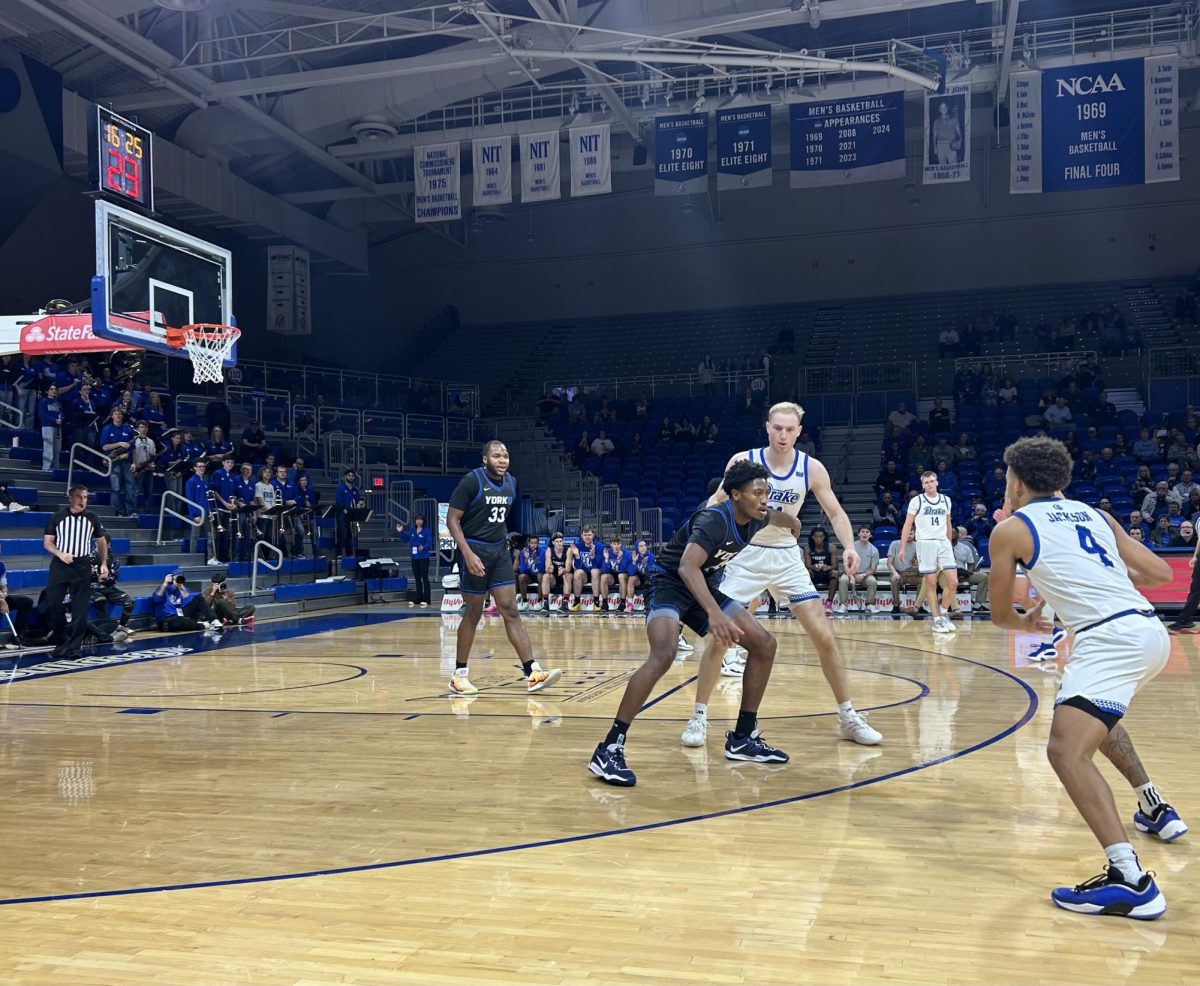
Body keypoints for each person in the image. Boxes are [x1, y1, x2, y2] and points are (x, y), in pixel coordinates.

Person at [987, 436, 1186, 919]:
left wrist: (1029, 622)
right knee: (1093, 720)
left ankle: (1130, 879)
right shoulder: (1095, 515)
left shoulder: (1010, 530)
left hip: (1109, 638)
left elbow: (998, 614)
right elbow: (1160, 573)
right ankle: (1154, 806)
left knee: (1064, 750)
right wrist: (1099, 578)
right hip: (1149, 631)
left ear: (1016, 480)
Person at [682, 403, 881, 750]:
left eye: (790, 429)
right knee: (720, 638)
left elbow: (834, 512)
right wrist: (694, 540)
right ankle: (699, 716)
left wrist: (848, 545)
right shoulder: (743, 461)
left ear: (799, 431)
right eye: (777, 428)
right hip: (746, 555)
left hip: (788, 558)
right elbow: (715, 502)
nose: (783, 435)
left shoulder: (811, 468)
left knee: (824, 636)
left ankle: (848, 715)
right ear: (767, 427)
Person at [588, 461, 798, 787]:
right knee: (664, 653)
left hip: (704, 586)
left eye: (766, 492)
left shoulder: (756, 517)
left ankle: (743, 736)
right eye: (757, 493)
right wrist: (714, 614)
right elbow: (686, 567)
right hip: (670, 583)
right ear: (735, 495)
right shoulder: (714, 519)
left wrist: (793, 523)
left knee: (764, 645)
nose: (764, 499)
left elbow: (778, 517)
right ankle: (609, 747)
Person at [445, 441, 561, 695]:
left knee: (510, 608)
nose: (502, 460)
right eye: (496, 455)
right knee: (474, 611)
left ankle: (532, 672)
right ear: (485, 459)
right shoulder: (471, 482)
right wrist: (467, 554)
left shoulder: (512, 483)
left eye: (506, 455)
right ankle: (459, 674)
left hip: (499, 551)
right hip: (474, 550)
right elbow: (452, 520)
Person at [42, 485, 108, 659]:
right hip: (60, 564)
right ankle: (61, 641)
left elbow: (101, 542)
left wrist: (104, 563)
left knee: (80, 608)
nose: (83, 501)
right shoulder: (57, 517)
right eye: (79, 497)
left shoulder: (92, 518)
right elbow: (47, 542)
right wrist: (60, 554)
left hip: (82, 565)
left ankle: (74, 647)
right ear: (70, 498)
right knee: (53, 603)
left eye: (85, 497)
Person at [900, 471, 956, 633]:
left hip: (943, 543)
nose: (930, 484)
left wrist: (949, 543)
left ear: (937, 482)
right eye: (926, 482)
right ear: (922, 485)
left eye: (932, 481)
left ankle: (944, 613)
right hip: (925, 544)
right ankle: (936, 619)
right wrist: (903, 547)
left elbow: (948, 524)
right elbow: (907, 525)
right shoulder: (917, 501)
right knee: (931, 583)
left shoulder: (946, 500)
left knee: (953, 582)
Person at [89, 533, 134, 640]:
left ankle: (122, 626)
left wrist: (105, 578)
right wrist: (93, 575)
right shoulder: (88, 556)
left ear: (109, 545)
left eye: (105, 544)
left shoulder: (113, 559)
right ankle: (102, 631)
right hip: (91, 587)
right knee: (101, 600)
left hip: (108, 587)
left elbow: (114, 578)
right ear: (96, 543)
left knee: (129, 601)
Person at [151, 573, 223, 632]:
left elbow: (189, 601)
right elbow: (155, 599)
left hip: (180, 614)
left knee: (198, 598)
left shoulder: (182, 588)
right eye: (176, 578)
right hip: (167, 618)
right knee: (176, 622)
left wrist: (181, 588)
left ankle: (214, 621)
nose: (177, 581)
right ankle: (201, 625)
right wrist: (165, 583)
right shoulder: (163, 588)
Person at [100, 408, 137, 516]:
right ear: (112, 416)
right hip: (114, 461)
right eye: (115, 414)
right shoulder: (107, 429)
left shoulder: (128, 429)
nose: (118, 416)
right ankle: (117, 511)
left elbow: (133, 448)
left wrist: (134, 462)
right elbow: (105, 447)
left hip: (127, 461)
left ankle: (130, 510)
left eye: (119, 414)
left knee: (130, 486)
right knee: (116, 487)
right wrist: (119, 444)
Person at [836, 526, 879, 614]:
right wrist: (851, 576)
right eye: (863, 531)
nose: (865, 533)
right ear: (859, 534)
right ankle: (843, 605)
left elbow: (873, 569)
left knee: (873, 581)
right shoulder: (851, 547)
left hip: (864, 575)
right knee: (843, 579)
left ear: (870, 535)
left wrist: (863, 575)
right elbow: (846, 565)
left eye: (867, 532)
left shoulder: (874, 550)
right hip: (850, 573)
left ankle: (869, 604)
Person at [1167, 519, 1200, 631]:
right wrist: (1195, 556)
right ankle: (1184, 619)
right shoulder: (1199, 521)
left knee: (1196, 590)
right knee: (1196, 590)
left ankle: (1184, 619)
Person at [950, 526, 989, 612]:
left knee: (984, 576)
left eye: (953, 533)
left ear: (958, 535)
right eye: (950, 532)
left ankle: (978, 604)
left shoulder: (965, 548)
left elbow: (971, 564)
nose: (951, 535)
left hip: (962, 574)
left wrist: (968, 573)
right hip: (947, 574)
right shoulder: (942, 547)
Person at [0, 560, 35, 648]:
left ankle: (17, 638)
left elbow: (3, 586)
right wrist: (2, 601)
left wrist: (4, 595)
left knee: (26, 602)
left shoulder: (1, 566)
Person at [400, 514, 433, 607]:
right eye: (417, 519)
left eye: (421, 519)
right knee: (417, 578)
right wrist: (401, 531)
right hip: (414, 557)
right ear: (415, 521)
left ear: (423, 521)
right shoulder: (412, 530)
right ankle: (418, 598)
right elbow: (404, 539)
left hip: (424, 557)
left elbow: (429, 542)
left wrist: (424, 547)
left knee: (424, 578)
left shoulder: (426, 530)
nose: (419, 521)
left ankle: (426, 599)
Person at [569, 525, 603, 610]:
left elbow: (600, 565)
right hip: (584, 574)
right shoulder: (578, 546)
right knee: (577, 573)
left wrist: (593, 556)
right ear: (581, 536)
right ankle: (576, 602)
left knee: (594, 571)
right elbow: (577, 566)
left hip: (596, 574)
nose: (587, 537)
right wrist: (577, 556)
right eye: (585, 535)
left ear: (593, 535)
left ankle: (596, 601)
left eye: (589, 535)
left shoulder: (599, 546)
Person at [540, 532, 571, 615]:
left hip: (565, 575)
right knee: (546, 576)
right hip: (554, 577)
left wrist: (563, 570)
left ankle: (565, 604)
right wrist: (549, 569)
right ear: (553, 543)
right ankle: (545, 604)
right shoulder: (549, 550)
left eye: (560, 541)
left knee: (567, 575)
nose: (559, 543)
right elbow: (547, 567)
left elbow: (568, 567)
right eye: (557, 541)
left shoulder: (568, 550)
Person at [334, 469, 362, 556]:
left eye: (352, 476)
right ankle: (338, 554)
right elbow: (338, 502)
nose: (351, 477)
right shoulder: (341, 488)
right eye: (349, 475)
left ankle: (349, 553)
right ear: (345, 477)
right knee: (342, 534)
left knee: (351, 534)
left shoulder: (355, 490)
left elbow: (357, 501)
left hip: (352, 515)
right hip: (342, 514)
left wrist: (361, 503)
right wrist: (346, 508)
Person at [38, 383, 63, 473]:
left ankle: (56, 467)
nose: (54, 391)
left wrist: (61, 419)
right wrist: (54, 420)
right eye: (51, 389)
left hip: (57, 427)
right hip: (47, 427)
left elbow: (61, 414)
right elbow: (42, 415)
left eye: (55, 389)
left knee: (57, 449)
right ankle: (46, 468)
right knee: (48, 447)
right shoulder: (43, 402)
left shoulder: (58, 404)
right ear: (47, 391)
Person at [600, 535, 630, 609]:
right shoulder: (607, 553)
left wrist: (619, 560)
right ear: (611, 545)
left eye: (618, 544)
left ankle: (623, 603)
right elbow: (604, 571)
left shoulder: (626, 553)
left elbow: (624, 570)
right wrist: (606, 559)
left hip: (624, 575)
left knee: (621, 575)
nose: (616, 546)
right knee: (604, 577)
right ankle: (605, 603)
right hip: (612, 576)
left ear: (621, 544)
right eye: (614, 544)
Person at [515, 535, 543, 610]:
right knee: (521, 577)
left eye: (535, 543)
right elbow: (522, 570)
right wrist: (526, 560)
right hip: (529, 576)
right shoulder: (523, 552)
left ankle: (540, 601)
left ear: (538, 543)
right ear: (528, 543)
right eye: (532, 543)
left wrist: (536, 560)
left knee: (541, 576)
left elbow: (542, 569)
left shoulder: (543, 551)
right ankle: (525, 601)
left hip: (539, 575)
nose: (533, 545)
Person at [931, 98, 962, 165]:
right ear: (939, 110)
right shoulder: (936, 121)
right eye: (941, 108)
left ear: (947, 108)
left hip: (952, 144)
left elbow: (958, 131)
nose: (943, 109)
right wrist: (935, 147)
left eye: (944, 107)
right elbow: (934, 136)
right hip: (940, 145)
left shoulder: (954, 119)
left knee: (953, 164)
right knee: (942, 165)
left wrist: (960, 140)